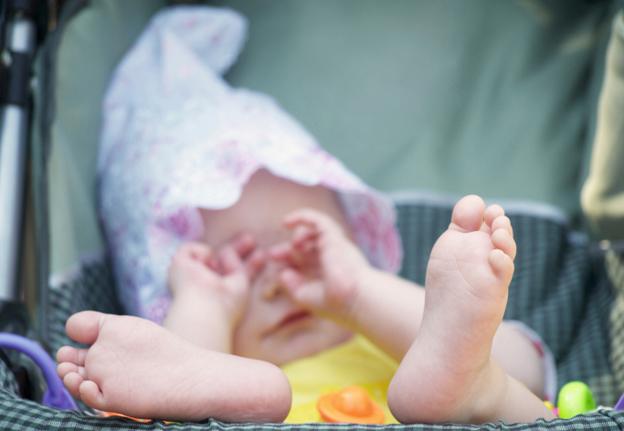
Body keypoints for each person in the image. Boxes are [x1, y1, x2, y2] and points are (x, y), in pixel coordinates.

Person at [56, 6, 556, 425]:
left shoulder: (396, 338)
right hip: (238, 402)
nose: (281, 281)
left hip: (437, 408)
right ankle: (217, 389)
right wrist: (203, 310)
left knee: (511, 374)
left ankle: (476, 390)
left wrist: (358, 291)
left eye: (304, 245)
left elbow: (531, 364)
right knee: (180, 415)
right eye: (238, 264)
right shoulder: (214, 367)